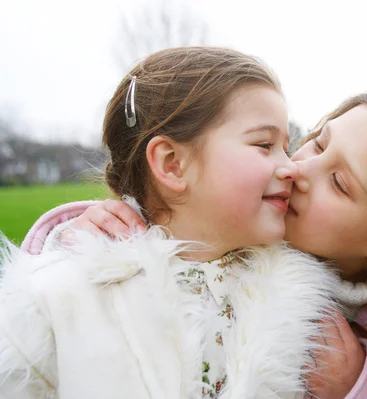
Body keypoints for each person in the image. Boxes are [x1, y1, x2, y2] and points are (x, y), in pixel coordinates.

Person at [35, 92, 367, 398]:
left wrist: (357, 387)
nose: (298, 168)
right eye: (317, 140)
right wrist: (77, 230)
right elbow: (153, 228)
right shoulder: (245, 224)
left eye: (340, 182)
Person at [0, 47, 341, 399]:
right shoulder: (59, 300)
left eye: (287, 147)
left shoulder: (307, 305)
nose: (291, 167)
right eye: (264, 144)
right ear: (172, 164)